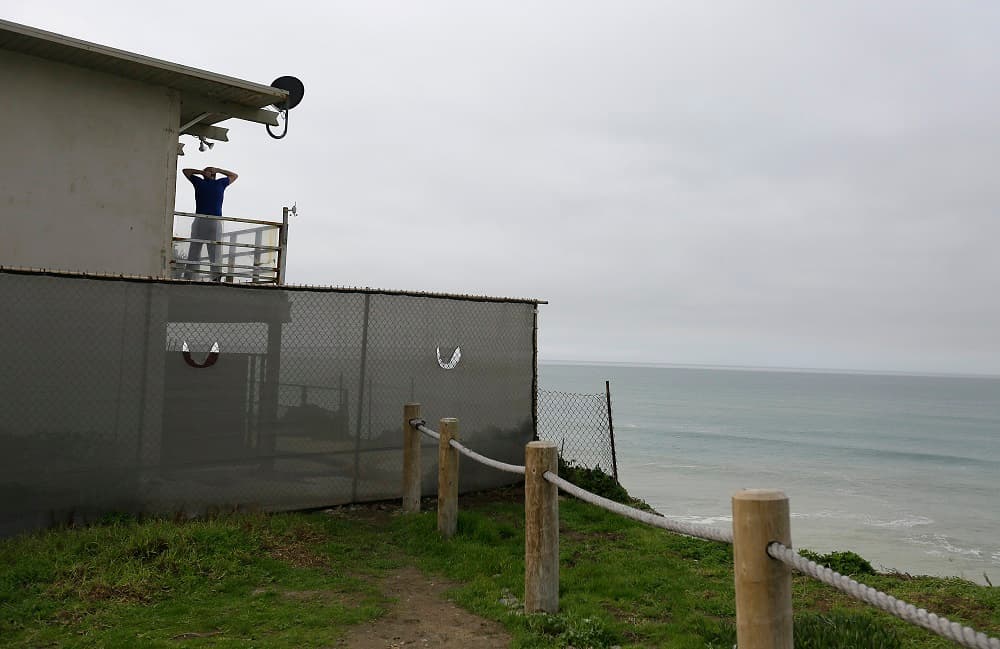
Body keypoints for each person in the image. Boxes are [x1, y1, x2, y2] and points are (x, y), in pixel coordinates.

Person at [182, 166, 238, 280]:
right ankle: (189, 276)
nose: (209, 173)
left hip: (213, 221)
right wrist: (201, 172)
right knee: (195, 250)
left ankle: (215, 277)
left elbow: (234, 176)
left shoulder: (220, 183)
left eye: (211, 171)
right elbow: (185, 171)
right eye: (208, 171)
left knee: (214, 251)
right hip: (202, 220)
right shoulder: (199, 182)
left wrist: (219, 170)